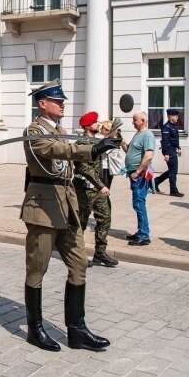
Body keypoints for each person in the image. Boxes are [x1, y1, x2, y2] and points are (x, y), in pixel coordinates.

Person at [21, 79, 118, 352]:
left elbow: (68, 153)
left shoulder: (62, 129)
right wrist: (93, 148)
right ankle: (35, 328)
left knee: (79, 264)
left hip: (67, 204)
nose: (62, 104)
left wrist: (100, 143)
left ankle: (77, 330)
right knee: (37, 269)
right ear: (42, 103)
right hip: (43, 206)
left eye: (62, 100)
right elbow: (55, 150)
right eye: (57, 100)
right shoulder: (34, 130)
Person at [73, 112, 118, 268]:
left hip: (97, 189)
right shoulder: (80, 144)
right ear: (87, 126)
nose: (98, 124)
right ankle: (78, 255)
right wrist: (102, 185)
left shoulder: (96, 141)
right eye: (95, 122)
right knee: (81, 223)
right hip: (84, 189)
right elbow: (85, 169)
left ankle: (100, 253)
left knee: (105, 218)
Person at [125, 112, 155, 246]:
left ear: (142, 120)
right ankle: (140, 231)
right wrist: (120, 142)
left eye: (134, 120)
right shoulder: (137, 134)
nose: (132, 122)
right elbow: (130, 151)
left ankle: (144, 235)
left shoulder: (147, 134)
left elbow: (148, 155)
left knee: (139, 203)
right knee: (137, 202)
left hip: (140, 175)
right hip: (134, 173)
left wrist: (137, 172)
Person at [154, 108, 184, 197]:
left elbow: (175, 139)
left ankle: (156, 181)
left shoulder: (174, 126)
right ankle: (173, 190)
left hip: (173, 149)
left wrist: (178, 148)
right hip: (169, 150)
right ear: (170, 117)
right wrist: (166, 153)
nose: (177, 118)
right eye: (176, 116)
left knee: (172, 170)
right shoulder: (166, 127)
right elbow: (165, 141)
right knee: (173, 171)